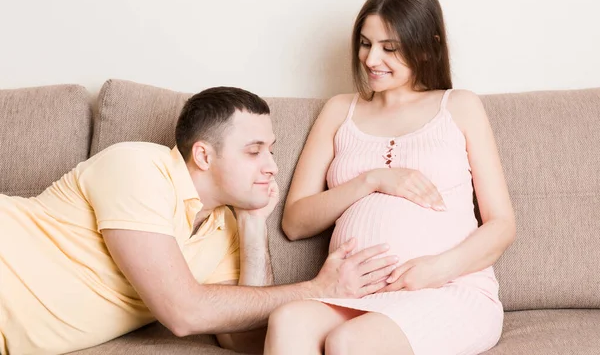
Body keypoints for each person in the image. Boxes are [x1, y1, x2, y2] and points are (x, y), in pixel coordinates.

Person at [0, 87, 399, 355]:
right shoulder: (139, 167)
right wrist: (317, 288)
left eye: (272, 151)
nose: (273, 167)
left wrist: (254, 226)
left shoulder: (223, 228)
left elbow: (242, 340)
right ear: (204, 156)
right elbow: (182, 311)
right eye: (254, 152)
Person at [264, 0, 516, 355]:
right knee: (287, 321)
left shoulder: (459, 107)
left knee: (348, 342)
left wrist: (438, 269)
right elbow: (295, 222)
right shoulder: (338, 111)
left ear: (428, 48)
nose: (370, 60)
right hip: (355, 294)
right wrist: (372, 180)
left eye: (389, 48)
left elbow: (502, 225)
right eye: (365, 44)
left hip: (447, 290)